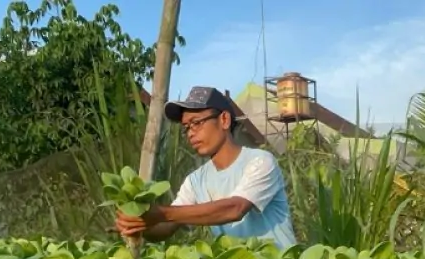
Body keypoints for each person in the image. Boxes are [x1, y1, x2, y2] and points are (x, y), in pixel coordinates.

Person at [114, 86, 297, 250]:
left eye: (197, 123)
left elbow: (235, 208)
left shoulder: (260, 161)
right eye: (186, 127)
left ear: (224, 120)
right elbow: (167, 227)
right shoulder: (195, 181)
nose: (190, 133)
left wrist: (161, 213)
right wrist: (138, 225)